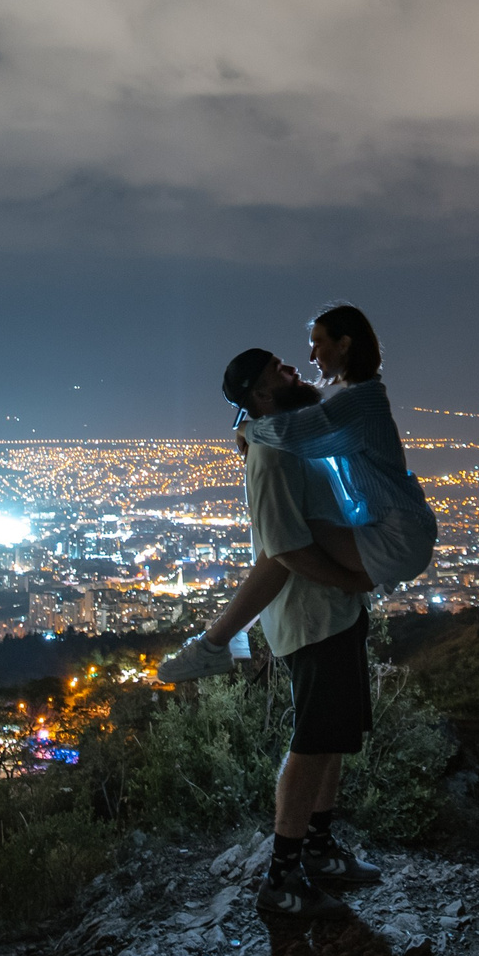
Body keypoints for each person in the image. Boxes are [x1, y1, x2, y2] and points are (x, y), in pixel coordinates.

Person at [158, 348, 382, 918]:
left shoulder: (293, 438)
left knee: (332, 739)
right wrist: (349, 578)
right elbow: (282, 552)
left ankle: (321, 851)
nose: (294, 372)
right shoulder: (273, 454)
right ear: (260, 395)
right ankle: (280, 881)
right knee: (310, 746)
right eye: (280, 372)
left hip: (336, 613)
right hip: (311, 620)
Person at [244, 304, 437, 590]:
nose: (312, 357)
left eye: (318, 344)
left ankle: (220, 634)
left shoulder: (358, 402)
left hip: (398, 536)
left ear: (344, 344)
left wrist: (247, 428)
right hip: (407, 529)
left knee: (293, 532)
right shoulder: (365, 397)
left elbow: (290, 432)